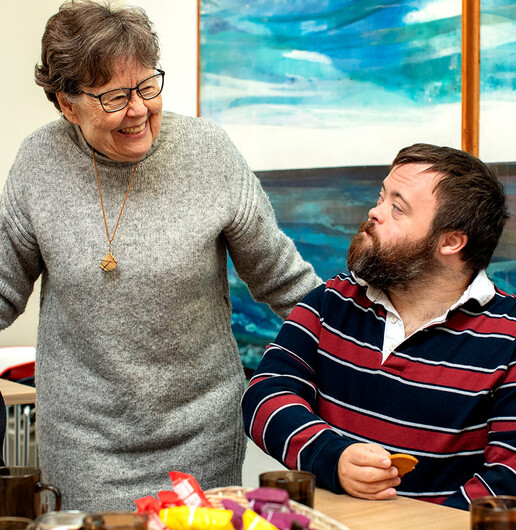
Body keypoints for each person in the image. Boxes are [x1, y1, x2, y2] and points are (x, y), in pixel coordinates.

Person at [0, 0, 321, 510]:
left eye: (148, 86)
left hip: (201, 440)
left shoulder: (208, 153)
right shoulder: (39, 162)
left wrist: (367, 348)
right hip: (83, 447)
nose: (138, 110)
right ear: (67, 104)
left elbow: (284, 282)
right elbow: (2, 290)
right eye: (114, 96)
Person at [241, 143, 516, 510]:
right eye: (381, 197)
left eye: (397, 208)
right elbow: (265, 393)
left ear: (451, 241)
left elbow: (514, 478)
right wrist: (332, 455)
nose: (374, 212)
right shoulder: (331, 301)